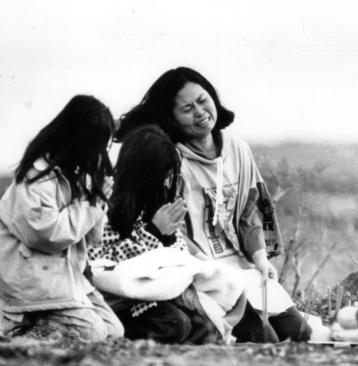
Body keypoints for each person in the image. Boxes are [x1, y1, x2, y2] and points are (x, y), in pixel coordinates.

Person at [119, 66, 311, 342]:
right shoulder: (168, 159)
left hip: (242, 267)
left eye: (202, 100)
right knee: (261, 338)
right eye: (187, 108)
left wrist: (259, 256)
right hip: (202, 273)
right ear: (171, 118)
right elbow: (171, 234)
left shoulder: (237, 149)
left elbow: (251, 209)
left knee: (298, 333)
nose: (199, 112)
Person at [88, 125, 243, 344]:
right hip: (122, 300)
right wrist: (152, 232)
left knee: (202, 327)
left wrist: (167, 237)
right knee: (175, 324)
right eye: (163, 174)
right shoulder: (110, 202)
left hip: (161, 296)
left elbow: (177, 261)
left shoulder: (159, 201)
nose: (167, 181)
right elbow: (104, 263)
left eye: (170, 174)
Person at [0, 95, 124, 341]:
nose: (100, 153)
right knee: (93, 332)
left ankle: (35, 324)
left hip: (63, 277)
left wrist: (98, 202)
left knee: (113, 331)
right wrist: (90, 206)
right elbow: (47, 235)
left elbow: (92, 238)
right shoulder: (37, 177)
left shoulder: (76, 173)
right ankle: (18, 334)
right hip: (31, 279)